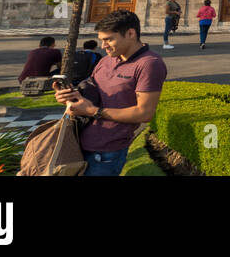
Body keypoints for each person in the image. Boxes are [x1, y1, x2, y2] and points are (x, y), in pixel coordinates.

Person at [52, 10, 167, 176]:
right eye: (101, 40)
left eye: (109, 39)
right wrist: (69, 98)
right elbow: (93, 94)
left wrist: (93, 111)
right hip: (77, 142)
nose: (103, 45)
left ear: (130, 33)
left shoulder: (149, 64)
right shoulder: (106, 60)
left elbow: (144, 113)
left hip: (106, 152)